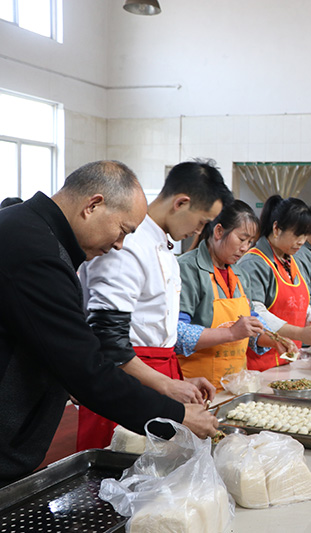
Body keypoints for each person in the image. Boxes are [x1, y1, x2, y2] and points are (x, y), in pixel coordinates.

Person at [0, 160, 217, 482]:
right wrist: (176, 416)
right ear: (93, 205)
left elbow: (45, 340)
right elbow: (85, 366)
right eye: (123, 231)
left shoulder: (32, 232)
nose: (119, 245)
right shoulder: (34, 249)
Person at [77, 159, 232, 451]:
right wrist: (166, 384)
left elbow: (153, 325)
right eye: (201, 222)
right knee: (118, 465)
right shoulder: (128, 243)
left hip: (155, 375)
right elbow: (108, 340)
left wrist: (178, 381)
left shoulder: (161, 244)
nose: (199, 231)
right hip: (124, 382)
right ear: (181, 203)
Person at [176, 200, 294, 391]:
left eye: (250, 242)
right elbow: (177, 333)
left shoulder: (240, 275)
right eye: (242, 239)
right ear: (219, 231)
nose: (245, 248)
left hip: (236, 385)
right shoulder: (188, 269)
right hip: (197, 387)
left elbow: (252, 324)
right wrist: (231, 333)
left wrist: (274, 340)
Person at [238, 195, 311, 371]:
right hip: (260, 365)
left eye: (305, 235)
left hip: (287, 361)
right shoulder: (254, 262)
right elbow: (255, 312)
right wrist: (299, 333)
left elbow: (299, 303)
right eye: (297, 234)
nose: (302, 241)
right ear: (276, 228)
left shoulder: (291, 261)